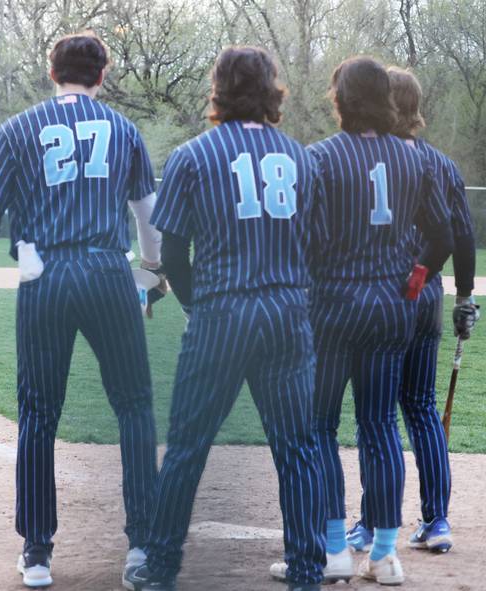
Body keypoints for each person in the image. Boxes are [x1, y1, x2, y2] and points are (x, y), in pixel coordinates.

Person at [0, 32, 164, 588]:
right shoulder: (123, 130)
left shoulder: (17, 129)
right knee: (135, 407)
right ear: (103, 76)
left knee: (39, 413)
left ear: (53, 73)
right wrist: (151, 273)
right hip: (105, 272)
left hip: (43, 276)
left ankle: (37, 552)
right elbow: (147, 215)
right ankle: (143, 547)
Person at [124, 46, 327, 591]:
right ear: (271, 90)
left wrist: (195, 305)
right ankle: (308, 569)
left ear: (217, 90)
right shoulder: (301, 157)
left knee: (189, 445)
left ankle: (161, 565)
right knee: (299, 450)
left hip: (222, 313)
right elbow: (317, 248)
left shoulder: (194, 156)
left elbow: (170, 255)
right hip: (286, 313)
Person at [306, 57, 452, 586]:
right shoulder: (416, 161)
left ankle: (333, 550)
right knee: (380, 425)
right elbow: (444, 236)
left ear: (340, 99)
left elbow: (302, 241)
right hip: (393, 310)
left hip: (333, 309)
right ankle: (386, 556)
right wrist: (414, 280)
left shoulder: (319, 158)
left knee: (319, 427)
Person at [345, 66, 479, 556]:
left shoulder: (369, 158)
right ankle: (436, 521)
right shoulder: (441, 164)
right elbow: (462, 237)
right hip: (427, 298)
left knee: (375, 416)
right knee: (421, 407)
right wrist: (464, 297)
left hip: (387, 296)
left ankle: (372, 524)